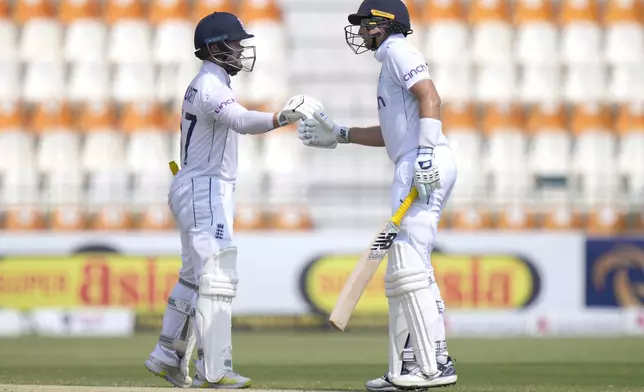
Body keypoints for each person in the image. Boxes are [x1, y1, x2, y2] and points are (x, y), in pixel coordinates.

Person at [144, 11, 321, 389]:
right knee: (217, 277)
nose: (241, 49)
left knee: (194, 278)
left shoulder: (210, 82)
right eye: (236, 42)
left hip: (196, 186)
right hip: (205, 187)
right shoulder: (211, 85)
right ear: (215, 46)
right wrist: (282, 117)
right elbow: (241, 122)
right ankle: (216, 369)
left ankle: (167, 355)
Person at [297, 0, 458, 389]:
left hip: (423, 159)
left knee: (407, 265)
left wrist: (423, 156)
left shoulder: (400, 51)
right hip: (415, 157)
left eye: (367, 23)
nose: (362, 30)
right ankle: (406, 368)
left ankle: (434, 367)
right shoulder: (389, 62)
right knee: (408, 267)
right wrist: (340, 133)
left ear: (384, 25)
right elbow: (391, 133)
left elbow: (431, 97)